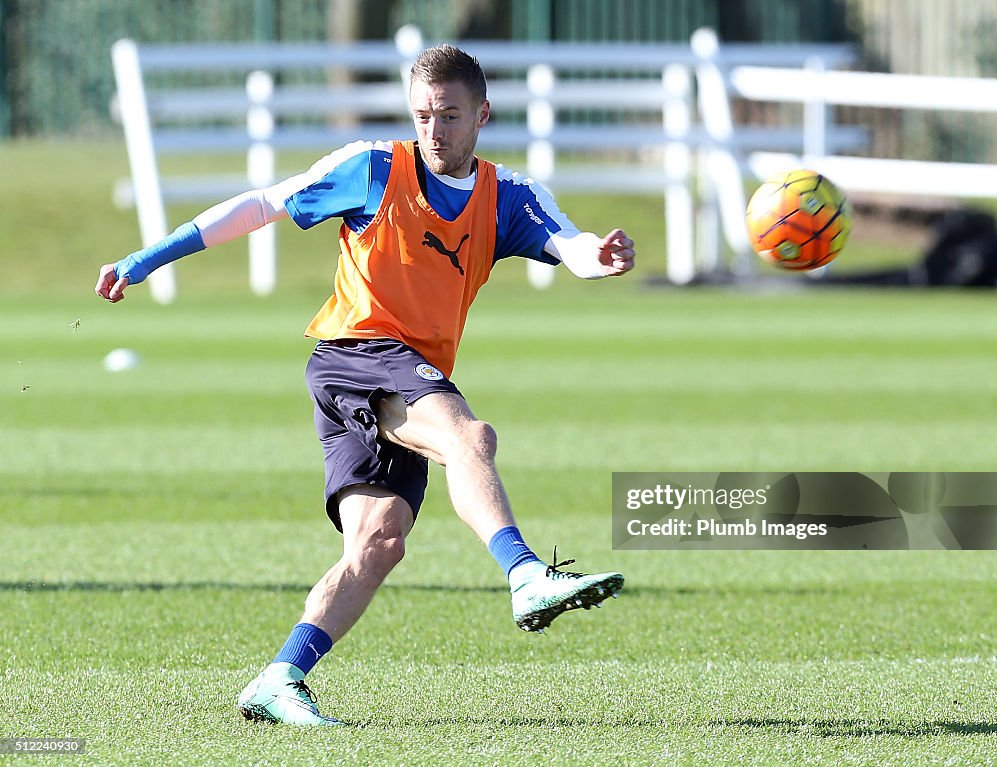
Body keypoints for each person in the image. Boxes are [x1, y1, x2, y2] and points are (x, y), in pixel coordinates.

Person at [96, 44, 634, 727]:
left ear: (483, 115)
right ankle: (525, 572)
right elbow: (264, 204)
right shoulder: (375, 168)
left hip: (401, 369)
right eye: (423, 115)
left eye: (449, 115)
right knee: (470, 436)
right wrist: (146, 259)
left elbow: (572, 246)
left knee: (379, 540)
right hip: (358, 351)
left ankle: (278, 676)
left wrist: (603, 257)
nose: (433, 131)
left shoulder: (510, 196)